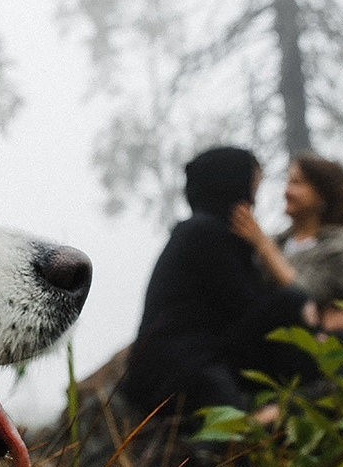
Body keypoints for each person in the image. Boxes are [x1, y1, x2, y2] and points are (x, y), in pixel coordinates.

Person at [116, 146, 319, 423]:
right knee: (290, 303)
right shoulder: (203, 234)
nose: (252, 204)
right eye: (251, 191)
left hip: (198, 356)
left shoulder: (208, 234)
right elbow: (247, 306)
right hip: (177, 368)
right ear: (232, 188)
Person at [230, 153, 343, 333]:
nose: (287, 191)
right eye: (288, 182)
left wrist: (262, 245)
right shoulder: (279, 242)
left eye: (297, 183)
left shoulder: (342, 246)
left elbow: (304, 295)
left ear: (323, 194)